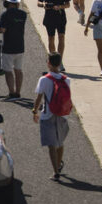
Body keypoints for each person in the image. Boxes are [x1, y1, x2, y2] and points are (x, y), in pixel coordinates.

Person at [33, 52, 72, 181]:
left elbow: (39, 97)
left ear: (48, 63)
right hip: (61, 114)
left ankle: (55, 172)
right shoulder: (66, 80)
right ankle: (59, 164)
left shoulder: (44, 79)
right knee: (60, 142)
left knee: (51, 145)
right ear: (60, 63)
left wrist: (34, 111)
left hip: (48, 114)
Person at [0, 0, 26, 98]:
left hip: (8, 47)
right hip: (20, 46)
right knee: (18, 70)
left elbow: (2, 30)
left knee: (8, 71)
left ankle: (12, 92)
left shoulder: (5, 15)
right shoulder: (23, 14)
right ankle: (18, 92)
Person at [38, 0, 72, 66]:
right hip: (49, 16)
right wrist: (43, 4)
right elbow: (38, 2)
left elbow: (68, 4)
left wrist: (59, 7)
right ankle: (54, 60)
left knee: (61, 37)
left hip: (60, 16)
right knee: (51, 38)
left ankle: (59, 60)